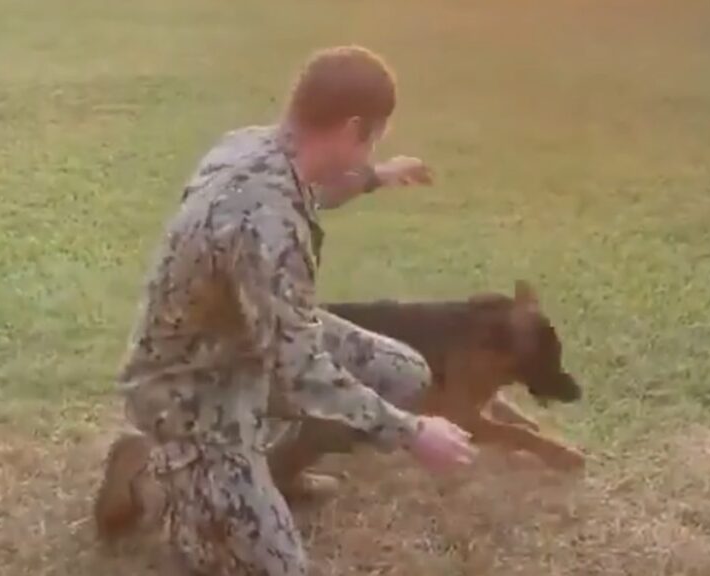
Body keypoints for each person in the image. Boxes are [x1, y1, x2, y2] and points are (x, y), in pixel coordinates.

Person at [117, 45, 476, 576]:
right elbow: (303, 371)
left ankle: (273, 471)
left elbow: (314, 189)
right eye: (374, 137)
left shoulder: (249, 146)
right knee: (277, 567)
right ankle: (176, 484)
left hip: (247, 339)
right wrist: (412, 434)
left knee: (402, 374)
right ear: (355, 127)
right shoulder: (267, 225)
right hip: (190, 385)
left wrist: (376, 175)